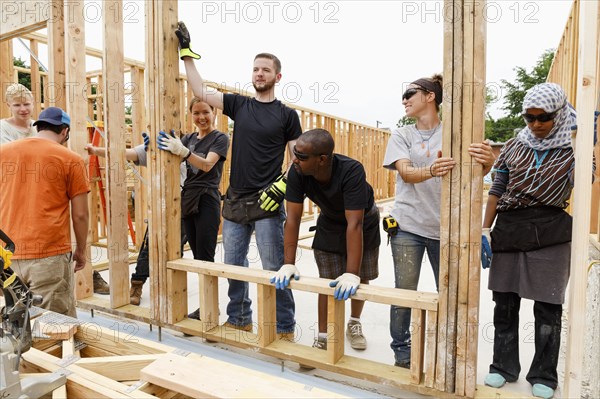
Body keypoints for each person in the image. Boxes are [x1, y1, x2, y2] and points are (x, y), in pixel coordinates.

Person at [175, 22, 301, 337]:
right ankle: (239, 319)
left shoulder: (287, 116)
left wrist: (282, 185)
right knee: (232, 266)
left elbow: (298, 158)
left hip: (267, 202)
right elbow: (201, 91)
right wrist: (187, 54)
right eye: (256, 69)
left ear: (277, 77)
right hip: (234, 200)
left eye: (266, 70)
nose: (259, 73)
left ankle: (283, 327)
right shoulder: (239, 105)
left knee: (274, 270)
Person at [482, 83, 590, 399]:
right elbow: (497, 188)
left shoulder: (574, 149)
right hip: (511, 227)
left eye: (544, 117)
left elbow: (588, 178)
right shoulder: (515, 146)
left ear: (560, 114)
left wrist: (588, 140)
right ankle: (503, 367)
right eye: (529, 118)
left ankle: (544, 373)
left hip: (551, 231)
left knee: (547, 307)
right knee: (504, 303)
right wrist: (484, 230)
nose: (536, 124)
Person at [382, 74, 495, 368]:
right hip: (408, 226)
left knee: (450, 293)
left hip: (446, 229)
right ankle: (402, 351)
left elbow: (471, 175)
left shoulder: (455, 133)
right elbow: (406, 173)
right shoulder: (402, 135)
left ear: (430, 96)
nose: (404, 100)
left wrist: (487, 163)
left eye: (410, 93)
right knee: (404, 292)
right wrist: (431, 170)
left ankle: (448, 350)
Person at [271, 129, 380, 353]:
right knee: (327, 282)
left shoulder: (351, 170)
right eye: (294, 153)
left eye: (301, 156)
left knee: (361, 277)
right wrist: (288, 262)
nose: (294, 159)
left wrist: (351, 272)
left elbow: (355, 224)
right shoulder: (297, 172)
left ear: (321, 159)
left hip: (362, 221)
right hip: (330, 221)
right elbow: (292, 219)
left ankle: (354, 323)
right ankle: (323, 336)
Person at [0, 107, 89, 317]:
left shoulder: (3, 153)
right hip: (49, 255)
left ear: (38, 126)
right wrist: (81, 250)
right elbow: (81, 215)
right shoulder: (71, 159)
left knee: (16, 325)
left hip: (7, 256)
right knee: (53, 328)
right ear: (64, 131)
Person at [157, 98, 229, 318]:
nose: (201, 118)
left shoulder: (220, 138)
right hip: (187, 200)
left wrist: (185, 153)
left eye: (206, 112)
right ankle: (208, 307)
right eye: (196, 113)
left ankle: (210, 309)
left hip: (207, 200)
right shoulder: (188, 138)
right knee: (198, 258)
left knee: (206, 257)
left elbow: (207, 165)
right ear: (191, 115)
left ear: (214, 112)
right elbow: (170, 154)